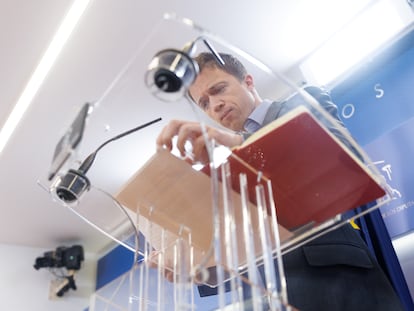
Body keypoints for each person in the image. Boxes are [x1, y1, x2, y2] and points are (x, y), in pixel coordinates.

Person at [156, 52, 404, 311]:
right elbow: (246, 250)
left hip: (340, 283)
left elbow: (345, 160)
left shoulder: (301, 102)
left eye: (219, 89)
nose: (215, 105)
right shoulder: (229, 167)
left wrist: (244, 147)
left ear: (248, 82)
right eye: (204, 103)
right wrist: (197, 268)